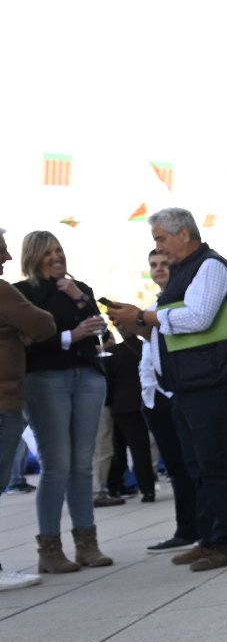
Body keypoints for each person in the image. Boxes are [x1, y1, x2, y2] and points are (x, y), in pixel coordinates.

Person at [105, 208, 227, 572]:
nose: (158, 246)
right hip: (191, 384)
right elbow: (166, 328)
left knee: (217, 461)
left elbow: (198, 316)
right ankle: (208, 539)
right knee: (197, 465)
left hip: (219, 382)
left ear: (185, 234)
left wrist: (144, 317)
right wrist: (137, 319)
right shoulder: (182, 273)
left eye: (161, 238)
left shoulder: (211, 266)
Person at [14, 230, 114, 573]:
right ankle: (50, 548)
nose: (57, 257)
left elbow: (102, 331)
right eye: (48, 253)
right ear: (34, 257)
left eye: (59, 250)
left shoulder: (79, 288)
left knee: (81, 464)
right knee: (56, 464)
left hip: (87, 376)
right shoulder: (22, 293)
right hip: (45, 378)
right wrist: (72, 335)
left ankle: (88, 543)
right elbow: (25, 342)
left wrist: (82, 302)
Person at [124, 248, 198, 554]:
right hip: (154, 395)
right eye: (153, 265)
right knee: (177, 466)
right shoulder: (154, 305)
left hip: (176, 393)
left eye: (164, 264)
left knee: (188, 465)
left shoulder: (182, 303)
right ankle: (188, 527)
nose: (158, 269)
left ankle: (193, 528)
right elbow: (152, 347)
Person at [0, 227, 55, 590]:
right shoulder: (2, 291)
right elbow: (44, 323)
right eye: (1, 249)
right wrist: (16, 332)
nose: (5, 257)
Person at [102, 329, 156, 502]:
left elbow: (108, 381)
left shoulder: (114, 353)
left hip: (120, 406)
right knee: (141, 450)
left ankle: (114, 486)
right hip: (141, 402)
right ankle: (147, 489)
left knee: (118, 450)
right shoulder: (146, 348)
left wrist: (109, 404)